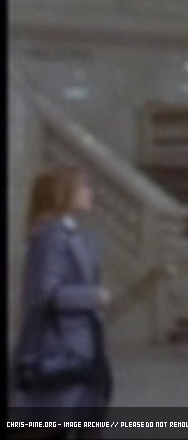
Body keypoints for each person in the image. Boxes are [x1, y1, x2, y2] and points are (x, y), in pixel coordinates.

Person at [10, 166, 113, 439]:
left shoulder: (72, 233)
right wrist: (93, 296)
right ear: (63, 193)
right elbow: (44, 293)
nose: (90, 193)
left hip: (82, 347)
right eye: (83, 187)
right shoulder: (51, 236)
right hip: (61, 349)